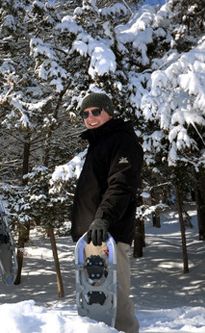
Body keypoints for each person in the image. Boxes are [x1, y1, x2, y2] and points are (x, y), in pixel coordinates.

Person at [71, 92, 143, 333]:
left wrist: (103, 218)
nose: (90, 117)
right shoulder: (99, 144)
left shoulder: (122, 141)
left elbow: (121, 184)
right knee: (95, 303)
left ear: (109, 112)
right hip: (90, 237)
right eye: (85, 113)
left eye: (96, 111)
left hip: (109, 234)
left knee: (116, 297)